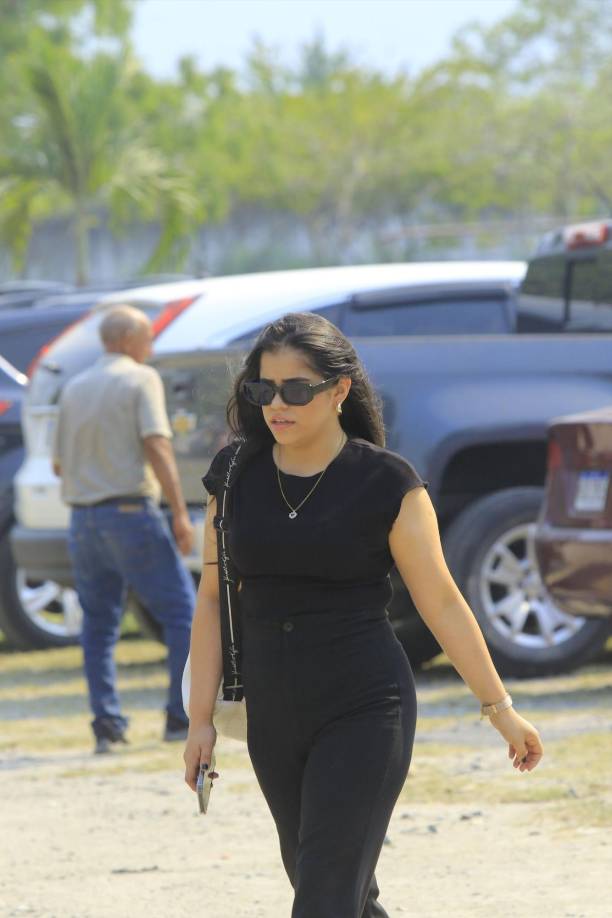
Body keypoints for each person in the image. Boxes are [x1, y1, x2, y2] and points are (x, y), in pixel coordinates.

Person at [183, 312, 544, 918]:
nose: (277, 404)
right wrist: (199, 720)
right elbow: (213, 598)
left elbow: (441, 602)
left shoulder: (386, 482)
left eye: (296, 389)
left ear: (339, 390)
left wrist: (499, 709)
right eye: (263, 390)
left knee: (325, 895)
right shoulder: (234, 475)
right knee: (337, 890)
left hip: (366, 706)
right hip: (273, 711)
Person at [53, 305, 196, 754]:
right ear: (129, 340)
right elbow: (156, 444)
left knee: (98, 624)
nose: (151, 346)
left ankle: (107, 725)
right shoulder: (141, 378)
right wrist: (178, 511)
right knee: (184, 614)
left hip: (82, 518)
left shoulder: (73, 387)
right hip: (131, 511)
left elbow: (58, 464)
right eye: (148, 338)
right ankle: (179, 716)